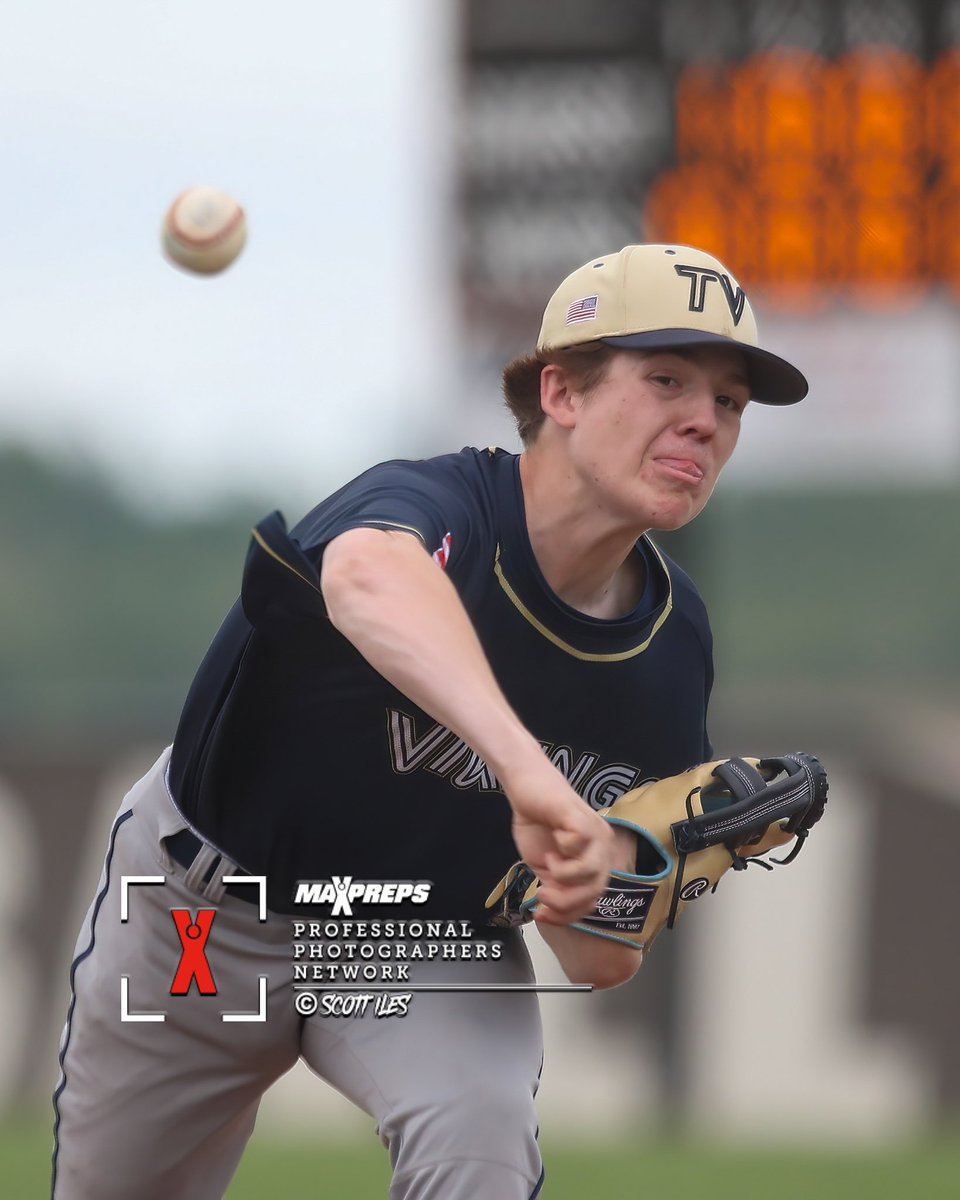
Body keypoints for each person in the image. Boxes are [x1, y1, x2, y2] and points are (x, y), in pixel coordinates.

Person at [51, 242, 808, 1200]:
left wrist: (642, 868)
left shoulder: (669, 642)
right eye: (666, 379)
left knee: (481, 1139)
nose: (702, 421)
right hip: (202, 919)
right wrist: (529, 772)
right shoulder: (436, 503)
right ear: (562, 393)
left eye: (730, 403)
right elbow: (364, 577)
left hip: (422, 939)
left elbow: (592, 956)